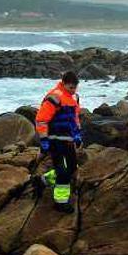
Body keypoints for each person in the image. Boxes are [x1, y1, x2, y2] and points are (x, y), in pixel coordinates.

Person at [35, 71, 82, 213]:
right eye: (70, 88)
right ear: (63, 83)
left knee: (72, 169)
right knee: (63, 172)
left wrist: (78, 135)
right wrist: (44, 141)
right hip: (55, 140)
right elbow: (41, 119)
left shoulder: (74, 98)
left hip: (68, 141)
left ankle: (42, 181)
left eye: (75, 88)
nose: (73, 90)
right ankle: (60, 202)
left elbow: (75, 118)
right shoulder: (54, 97)